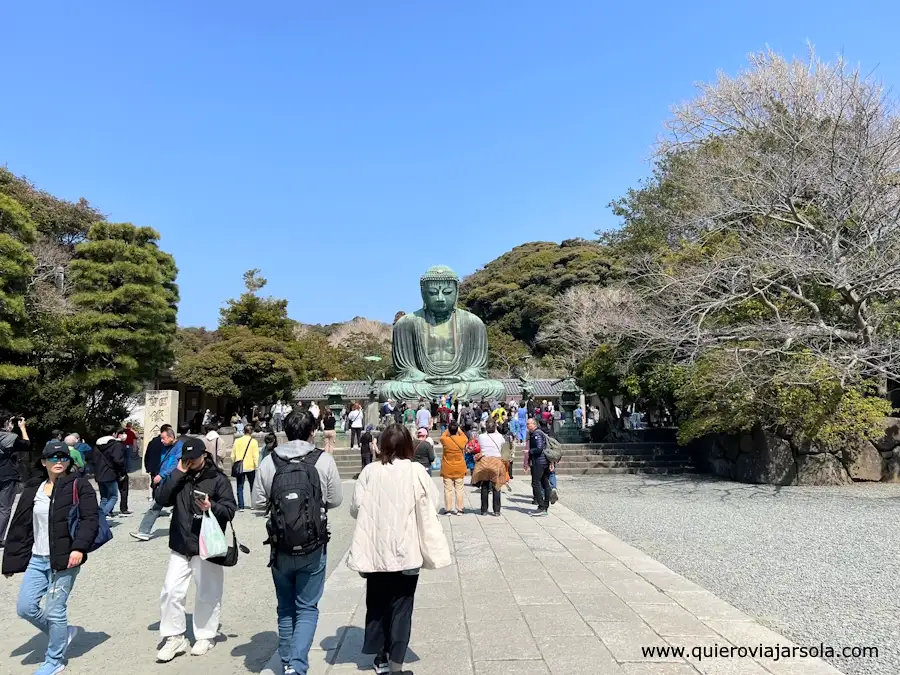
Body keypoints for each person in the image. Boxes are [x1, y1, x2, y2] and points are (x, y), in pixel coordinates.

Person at [348, 424, 451, 675]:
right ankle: (397, 664)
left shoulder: (370, 471)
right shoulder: (416, 470)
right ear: (408, 445)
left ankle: (380, 658)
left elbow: (355, 507)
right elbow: (432, 502)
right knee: (402, 608)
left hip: (376, 552)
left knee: (378, 603)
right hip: (407, 552)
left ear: (382, 445)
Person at [252, 410, 342, 675]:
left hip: (280, 544)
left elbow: (258, 502)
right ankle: (297, 666)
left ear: (285, 431)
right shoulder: (323, 460)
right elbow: (336, 499)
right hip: (313, 543)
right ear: (312, 431)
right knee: (306, 607)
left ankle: (288, 660)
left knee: (286, 606)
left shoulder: (270, 461)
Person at [2, 440, 99, 675]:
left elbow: (90, 519)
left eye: (63, 457)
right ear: (43, 461)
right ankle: (63, 632)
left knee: (55, 610)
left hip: (66, 559)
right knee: (25, 607)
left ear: (69, 461)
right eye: (52, 458)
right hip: (38, 557)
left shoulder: (79, 485)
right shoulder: (34, 487)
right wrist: (13, 559)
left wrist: (79, 548)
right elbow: (21, 525)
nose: (58, 462)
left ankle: (54, 660)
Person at [154, 437, 236, 662]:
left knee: (207, 591)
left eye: (194, 458)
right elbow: (160, 498)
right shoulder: (179, 476)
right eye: (185, 458)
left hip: (206, 544)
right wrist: (178, 473)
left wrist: (212, 506)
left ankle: (205, 634)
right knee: (171, 590)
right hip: (181, 542)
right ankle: (174, 636)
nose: (190, 462)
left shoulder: (217, 478)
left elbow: (230, 509)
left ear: (204, 456)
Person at [130, 426, 182, 542]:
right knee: (156, 505)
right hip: (165, 481)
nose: (162, 441)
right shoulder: (165, 447)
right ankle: (144, 531)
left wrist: (161, 475)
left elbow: (174, 464)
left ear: (171, 437)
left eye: (163, 438)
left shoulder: (179, 447)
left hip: (175, 481)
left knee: (175, 506)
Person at [1, 415, 30, 547]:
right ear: (7, 423)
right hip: (6, 475)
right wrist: (22, 428)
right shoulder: (9, 438)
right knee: (4, 508)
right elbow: (27, 444)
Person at [474, 420, 508, 516]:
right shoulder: (500, 436)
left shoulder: (481, 436)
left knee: (484, 486)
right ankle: (496, 510)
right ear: (495, 427)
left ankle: (484, 510)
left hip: (484, 462)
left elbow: (479, 446)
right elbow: (503, 446)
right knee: (496, 486)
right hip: (496, 462)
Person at [93, 429, 128, 518]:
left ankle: (99, 517)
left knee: (104, 498)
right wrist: (122, 472)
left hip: (99, 473)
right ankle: (103, 515)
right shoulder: (115, 445)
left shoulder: (97, 445)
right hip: (110, 473)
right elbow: (118, 460)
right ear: (114, 433)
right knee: (113, 497)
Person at [439, 421, 467, 515]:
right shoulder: (462, 439)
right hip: (459, 467)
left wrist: (449, 429)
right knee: (459, 489)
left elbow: (442, 436)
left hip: (447, 467)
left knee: (448, 490)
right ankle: (459, 509)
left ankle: (448, 509)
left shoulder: (445, 440)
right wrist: (458, 429)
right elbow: (465, 436)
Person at [526, 419, 551, 515]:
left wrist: (529, 452)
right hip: (543, 461)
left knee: (536, 483)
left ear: (534, 424)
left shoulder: (536, 434)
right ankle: (545, 505)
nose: (527, 425)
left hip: (539, 461)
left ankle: (541, 506)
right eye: (527, 424)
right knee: (545, 483)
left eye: (529, 424)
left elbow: (539, 448)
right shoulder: (538, 433)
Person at [232, 425, 260, 510]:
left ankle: (241, 506)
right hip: (250, 466)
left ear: (244, 431)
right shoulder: (254, 441)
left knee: (240, 486)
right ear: (251, 432)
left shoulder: (237, 441)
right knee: (252, 486)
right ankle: (253, 505)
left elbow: (232, 455)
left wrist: (234, 462)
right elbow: (256, 455)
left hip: (240, 466)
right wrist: (256, 466)